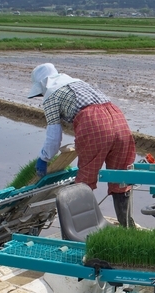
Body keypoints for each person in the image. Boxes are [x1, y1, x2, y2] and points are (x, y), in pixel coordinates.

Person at [27, 63, 136, 227]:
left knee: (84, 182)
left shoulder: (51, 96)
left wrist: (44, 158)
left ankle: (86, 230)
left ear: (42, 84)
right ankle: (128, 227)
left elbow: (54, 136)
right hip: (118, 119)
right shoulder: (78, 83)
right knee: (121, 178)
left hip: (94, 124)